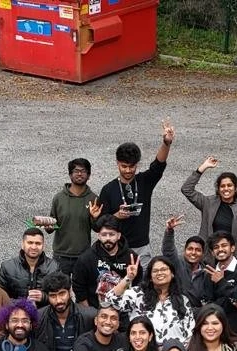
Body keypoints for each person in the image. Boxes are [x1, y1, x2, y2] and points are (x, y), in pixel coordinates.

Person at [97, 121, 174, 260]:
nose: (128, 170)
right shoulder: (108, 189)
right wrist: (116, 216)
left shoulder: (144, 181)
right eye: (124, 166)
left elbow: (158, 165)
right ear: (117, 163)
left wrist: (166, 143)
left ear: (137, 164)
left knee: (143, 282)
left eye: (131, 166)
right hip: (116, 248)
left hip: (142, 248)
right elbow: (99, 223)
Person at [114, 257, 194, 346]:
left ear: (172, 274)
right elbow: (112, 300)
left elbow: (190, 331)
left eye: (164, 269)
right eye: (155, 271)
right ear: (150, 277)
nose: (160, 273)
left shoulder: (182, 300)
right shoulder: (138, 295)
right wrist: (128, 278)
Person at [180, 157, 237, 251]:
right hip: (208, 257)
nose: (226, 189)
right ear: (218, 189)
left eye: (229, 185)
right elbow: (186, 189)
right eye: (222, 186)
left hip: (231, 260)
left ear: (235, 188)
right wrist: (203, 167)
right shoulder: (208, 203)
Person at [71, 216, 136, 309]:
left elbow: (138, 285)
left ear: (119, 235)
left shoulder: (131, 257)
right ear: (99, 236)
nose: (108, 238)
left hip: (124, 311)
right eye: (104, 234)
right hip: (95, 311)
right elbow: (78, 287)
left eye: (111, 234)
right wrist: (89, 312)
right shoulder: (86, 259)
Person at [48, 158, 99, 275]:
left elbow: (97, 228)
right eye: (76, 171)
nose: (80, 174)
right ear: (70, 174)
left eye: (83, 171)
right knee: (60, 290)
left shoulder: (93, 199)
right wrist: (46, 225)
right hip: (61, 255)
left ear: (89, 175)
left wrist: (95, 217)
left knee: (82, 291)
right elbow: (50, 228)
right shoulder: (58, 198)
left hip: (83, 255)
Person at [206, 230, 237, 333]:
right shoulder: (209, 274)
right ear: (212, 252)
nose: (220, 249)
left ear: (232, 248)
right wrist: (230, 299)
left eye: (224, 245)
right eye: (216, 247)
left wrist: (221, 282)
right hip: (214, 334)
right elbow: (206, 306)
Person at [158, 217, 215, 307]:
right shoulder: (177, 264)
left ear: (203, 254)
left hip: (197, 314)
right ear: (184, 251)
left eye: (197, 250)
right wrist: (169, 231)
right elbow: (168, 250)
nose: (193, 253)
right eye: (190, 249)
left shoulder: (207, 273)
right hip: (175, 310)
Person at [0, 228, 61, 305]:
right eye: (30, 243)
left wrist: (44, 297)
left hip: (45, 315)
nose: (34, 247)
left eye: (38, 243)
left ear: (43, 246)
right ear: (22, 244)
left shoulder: (54, 267)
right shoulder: (7, 267)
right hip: (16, 314)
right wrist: (23, 303)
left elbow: (62, 297)